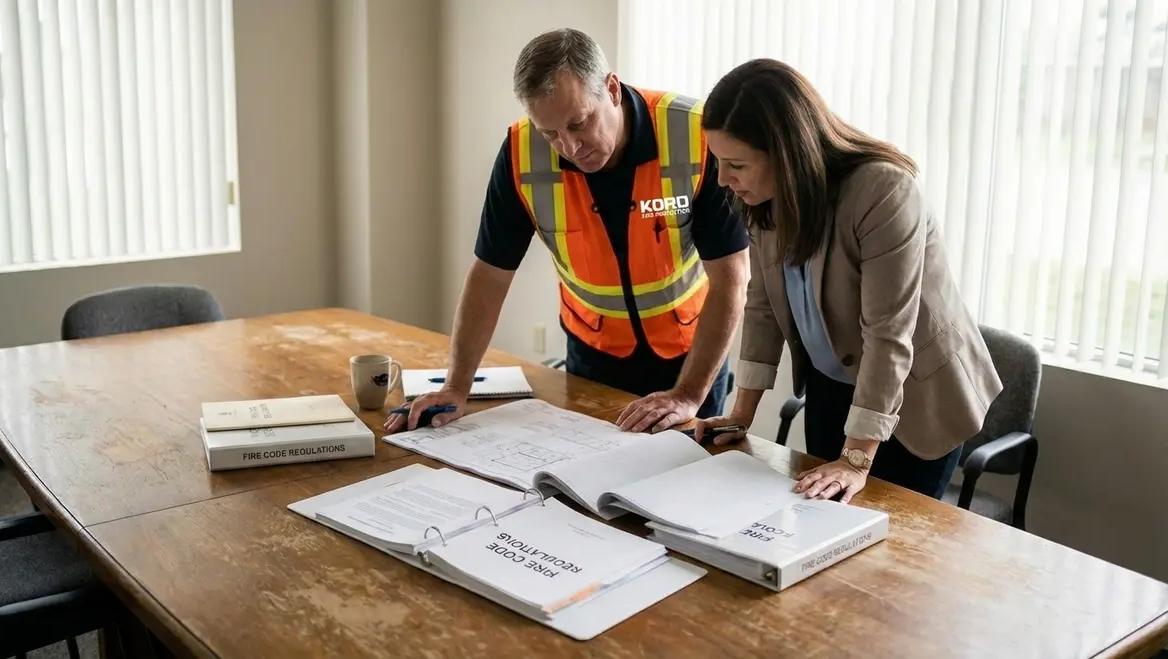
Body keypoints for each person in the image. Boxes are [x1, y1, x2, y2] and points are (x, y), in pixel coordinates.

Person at [383, 29, 750, 435]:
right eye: (550, 133)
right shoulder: (521, 154)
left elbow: (732, 278)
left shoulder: (692, 136)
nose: (570, 147)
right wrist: (456, 387)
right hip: (591, 357)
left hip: (691, 359)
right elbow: (490, 275)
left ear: (611, 89)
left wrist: (688, 394)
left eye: (580, 123)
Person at [695, 58, 1003, 503]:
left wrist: (856, 459)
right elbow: (762, 306)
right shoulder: (763, 197)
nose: (723, 179)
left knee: (893, 548)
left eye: (736, 164)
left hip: (915, 396)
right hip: (832, 387)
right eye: (719, 162)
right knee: (824, 526)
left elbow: (888, 333)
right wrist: (741, 412)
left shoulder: (883, 192)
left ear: (785, 153)